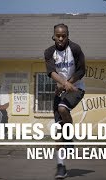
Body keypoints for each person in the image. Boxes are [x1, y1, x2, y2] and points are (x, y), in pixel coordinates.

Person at [44, 23, 86, 179]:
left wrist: (70, 82)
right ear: (54, 36)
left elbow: (82, 70)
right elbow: (51, 72)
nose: (61, 38)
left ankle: (69, 136)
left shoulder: (75, 49)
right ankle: (61, 166)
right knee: (58, 130)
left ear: (68, 36)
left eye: (64, 35)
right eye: (58, 35)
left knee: (63, 108)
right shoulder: (49, 52)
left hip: (77, 89)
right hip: (60, 91)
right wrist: (63, 83)